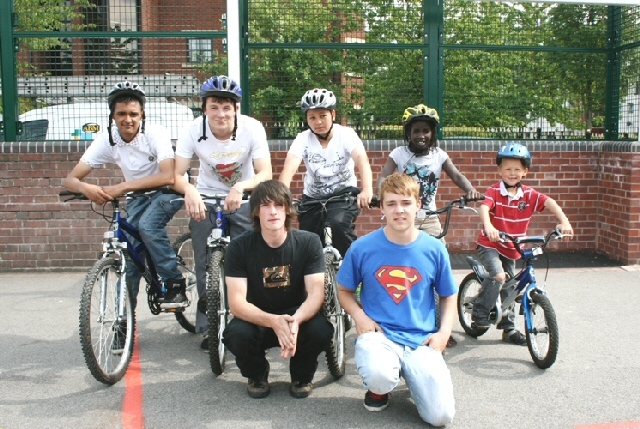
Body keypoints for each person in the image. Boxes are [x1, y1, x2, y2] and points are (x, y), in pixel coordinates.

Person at [337, 173, 456, 427]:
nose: (399, 210)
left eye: (405, 203)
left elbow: (447, 294)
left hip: (420, 339)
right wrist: (359, 316)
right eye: (391, 204)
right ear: (381, 207)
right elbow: (344, 290)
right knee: (379, 373)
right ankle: (379, 388)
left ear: (418, 205)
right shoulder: (362, 248)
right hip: (379, 335)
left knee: (441, 417)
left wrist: (444, 332)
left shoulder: (434, 249)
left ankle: (416, 376)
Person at [63, 81, 186, 312]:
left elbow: (169, 175)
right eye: (121, 113)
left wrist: (122, 187)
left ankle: (174, 282)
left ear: (142, 115)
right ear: (112, 115)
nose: (127, 119)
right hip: (137, 195)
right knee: (130, 258)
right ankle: (123, 322)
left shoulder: (154, 133)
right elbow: (70, 180)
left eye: (133, 114)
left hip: (169, 190)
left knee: (148, 227)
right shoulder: (107, 139)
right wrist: (86, 188)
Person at [173, 75, 272, 349]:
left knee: (249, 257)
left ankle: (253, 318)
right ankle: (209, 325)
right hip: (205, 194)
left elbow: (265, 173)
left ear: (236, 109)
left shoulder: (252, 129)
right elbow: (177, 175)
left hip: (242, 194)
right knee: (205, 260)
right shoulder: (193, 130)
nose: (220, 113)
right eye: (214, 107)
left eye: (227, 107)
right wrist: (189, 190)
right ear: (204, 108)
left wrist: (240, 187)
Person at [378, 103, 481, 348]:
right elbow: (384, 174)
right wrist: (379, 193)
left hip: (431, 216)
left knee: (440, 264)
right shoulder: (399, 154)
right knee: (399, 266)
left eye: (426, 130)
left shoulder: (439, 155)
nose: (421, 135)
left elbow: (456, 175)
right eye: (416, 131)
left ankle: (442, 328)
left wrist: (470, 190)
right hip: (406, 216)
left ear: (433, 132)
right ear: (408, 133)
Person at [222, 180, 333, 399]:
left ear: (288, 209)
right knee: (236, 334)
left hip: (297, 318)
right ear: (255, 212)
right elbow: (236, 303)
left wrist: (295, 321)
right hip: (258, 318)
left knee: (322, 330)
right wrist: (273, 321)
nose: (273, 212)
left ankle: (302, 376)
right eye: (265, 206)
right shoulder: (239, 247)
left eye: (279, 205)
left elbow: (316, 293)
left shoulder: (309, 242)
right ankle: (257, 374)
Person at [471, 142, 574, 345]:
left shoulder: (528, 194)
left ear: (525, 171)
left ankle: (508, 329)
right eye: (507, 168)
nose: (512, 173)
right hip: (490, 245)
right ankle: (479, 313)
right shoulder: (493, 191)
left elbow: (549, 202)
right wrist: (489, 225)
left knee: (512, 287)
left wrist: (564, 221)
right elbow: (484, 207)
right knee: (499, 276)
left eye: (517, 169)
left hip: (512, 248)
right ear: (499, 169)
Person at [278, 88, 373, 258]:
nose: (318, 121)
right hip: (313, 198)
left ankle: (351, 268)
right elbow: (289, 169)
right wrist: (281, 197)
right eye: (312, 117)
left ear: (333, 114)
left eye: (323, 115)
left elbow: (362, 160)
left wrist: (367, 190)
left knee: (338, 225)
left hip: (343, 195)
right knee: (308, 240)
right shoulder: (302, 139)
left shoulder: (346, 135)